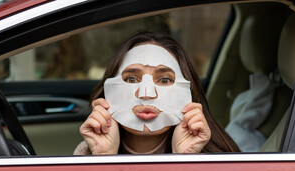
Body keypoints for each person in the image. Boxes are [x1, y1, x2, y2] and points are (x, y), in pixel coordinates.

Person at [74, 32, 239, 155]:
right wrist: (105, 158)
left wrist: (185, 160)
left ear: (189, 94)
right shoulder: (89, 153)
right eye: (131, 79)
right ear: (108, 90)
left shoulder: (218, 159)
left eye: (165, 80)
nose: (147, 94)